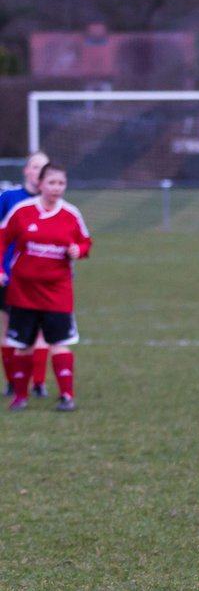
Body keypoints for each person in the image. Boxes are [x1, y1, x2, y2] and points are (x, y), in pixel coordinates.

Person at [1, 163, 90, 412]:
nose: (56, 188)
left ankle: (67, 396)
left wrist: (79, 250)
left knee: (59, 342)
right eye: (51, 183)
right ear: (40, 184)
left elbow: (85, 241)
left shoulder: (71, 214)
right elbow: (2, 237)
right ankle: (20, 396)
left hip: (57, 291)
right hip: (23, 291)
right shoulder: (22, 211)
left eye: (61, 183)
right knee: (23, 345)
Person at [0, 151, 52, 397]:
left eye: (45, 168)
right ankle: (13, 383)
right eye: (35, 166)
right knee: (9, 330)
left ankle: (38, 383)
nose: (40, 172)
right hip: (9, 276)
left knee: (41, 330)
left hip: (42, 279)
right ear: (26, 171)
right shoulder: (9, 198)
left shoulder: (51, 202)